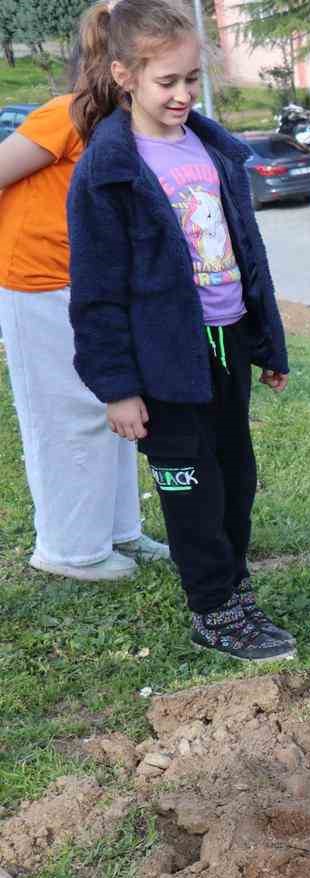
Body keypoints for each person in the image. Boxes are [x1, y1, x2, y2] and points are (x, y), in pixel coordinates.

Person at [68, 0, 295, 662]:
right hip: (163, 363)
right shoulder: (108, 171)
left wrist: (265, 345)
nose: (183, 94)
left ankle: (235, 588)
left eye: (191, 79)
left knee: (236, 478)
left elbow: (246, 258)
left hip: (224, 347)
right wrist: (116, 387)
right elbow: (98, 294)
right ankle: (213, 610)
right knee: (190, 487)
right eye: (167, 81)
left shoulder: (210, 149)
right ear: (125, 76)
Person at [0, 3, 170, 583]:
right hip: (39, 284)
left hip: (90, 285)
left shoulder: (115, 121)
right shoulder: (63, 115)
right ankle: (69, 550)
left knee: (110, 409)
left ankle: (118, 531)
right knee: (63, 418)